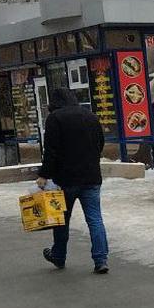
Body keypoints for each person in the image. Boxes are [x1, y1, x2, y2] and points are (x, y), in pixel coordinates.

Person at [36, 88, 110, 274]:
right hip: (92, 177)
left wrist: (44, 174)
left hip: (66, 179)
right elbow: (100, 143)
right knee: (95, 219)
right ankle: (101, 260)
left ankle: (59, 256)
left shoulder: (55, 118)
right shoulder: (90, 116)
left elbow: (51, 150)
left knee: (61, 219)